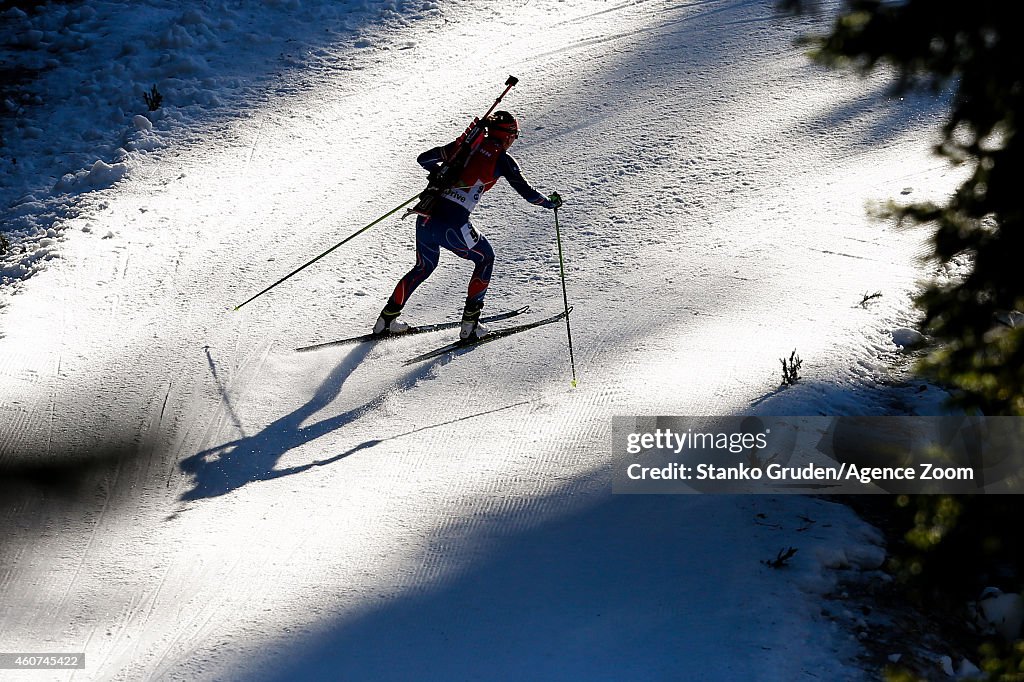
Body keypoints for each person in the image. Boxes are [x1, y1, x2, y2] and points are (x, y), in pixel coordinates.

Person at [373, 111, 561, 341]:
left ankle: (386, 321)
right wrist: (549, 204)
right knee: (485, 258)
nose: (514, 140)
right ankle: (470, 326)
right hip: (453, 225)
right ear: (506, 136)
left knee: (423, 267)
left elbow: (424, 159)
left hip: (425, 217)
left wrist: (443, 172)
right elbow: (528, 194)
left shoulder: (466, 147)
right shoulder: (503, 159)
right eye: (515, 134)